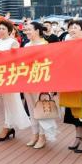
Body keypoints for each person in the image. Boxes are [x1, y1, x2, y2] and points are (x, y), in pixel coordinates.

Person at [61, 20, 82, 153]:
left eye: (75, 27)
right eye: (70, 28)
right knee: (73, 111)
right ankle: (78, 137)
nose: (72, 30)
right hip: (70, 82)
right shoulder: (68, 43)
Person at [0, 20, 31, 142]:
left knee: (12, 100)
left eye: (3, 29)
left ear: (9, 31)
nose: (1, 31)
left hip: (10, 75)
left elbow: (16, 59)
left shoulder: (13, 42)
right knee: (5, 102)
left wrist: (2, 55)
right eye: (0, 29)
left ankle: (7, 126)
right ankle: (9, 126)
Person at [22, 21, 57, 149]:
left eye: (29, 29)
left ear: (37, 31)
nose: (27, 32)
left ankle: (43, 136)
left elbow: (50, 64)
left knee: (41, 109)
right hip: (28, 80)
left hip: (42, 81)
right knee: (31, 109)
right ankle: (35, 134)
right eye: (26, 30)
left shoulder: (45, 44)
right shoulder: (26, 45)